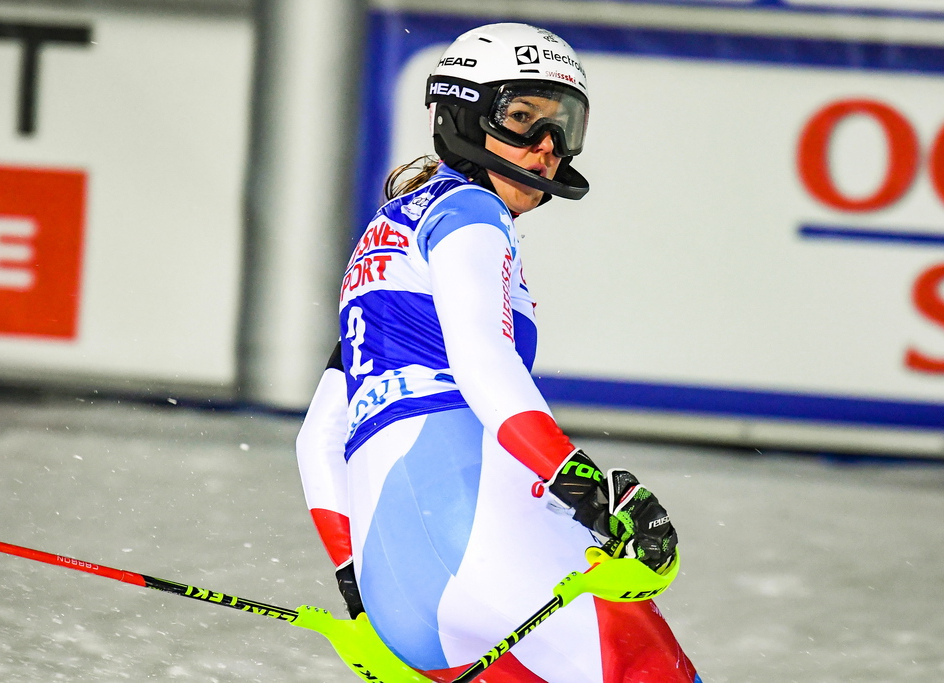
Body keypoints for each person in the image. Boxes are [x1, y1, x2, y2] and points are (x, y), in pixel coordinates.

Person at [296, 23, 701, 683]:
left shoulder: (386, 234)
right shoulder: (471, 213)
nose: (546, 149)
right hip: (483, 533)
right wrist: (589, 493)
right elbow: (484, 363)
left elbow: (319, 437)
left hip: (397, 583)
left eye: (562, 126)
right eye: (520, 119)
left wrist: (359, 587)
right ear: (461, 114)